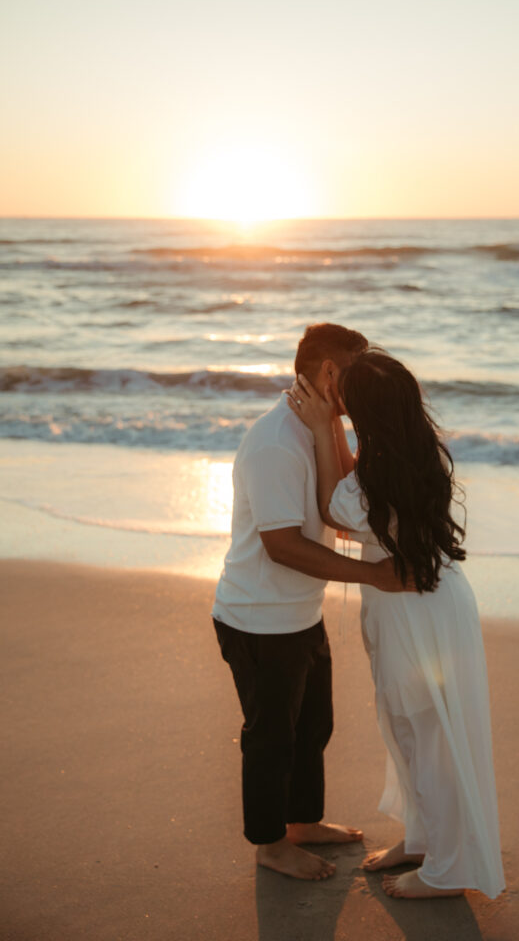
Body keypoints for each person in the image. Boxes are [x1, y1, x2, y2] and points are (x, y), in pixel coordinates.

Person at [287, 348, 505, 900]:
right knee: (407, 728)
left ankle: (447, 872)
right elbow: (351, 493)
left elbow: (336, 510)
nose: (337, 403)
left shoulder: (380, 468)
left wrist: (321, 427)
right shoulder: (401, 451)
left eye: (346, 401)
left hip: (421, 614)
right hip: (417, 605)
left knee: (431, 736)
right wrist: (336, 423)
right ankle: (424, 838)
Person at [212, 324, 411, 882]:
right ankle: (271, 845)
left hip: (297, 613)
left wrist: (333, 428)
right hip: (258, 618)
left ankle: (301, 823)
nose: (366, 385)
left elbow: (348, 499)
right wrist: (373, 575)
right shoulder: (277, 442)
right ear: (329, 375)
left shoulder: (318, 427)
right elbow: (282, 546)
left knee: (312, 725)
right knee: (272, 736)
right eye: (356, 373)